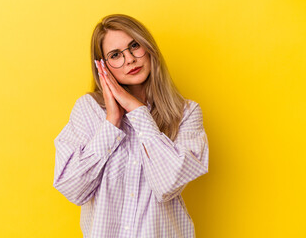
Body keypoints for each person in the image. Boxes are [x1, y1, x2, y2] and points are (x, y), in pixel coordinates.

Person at [53, 14, 209, 238]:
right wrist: (111, 122)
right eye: (115, 55)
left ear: (149, 47)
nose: (129, 59)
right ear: (102, 66)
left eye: (134, 46)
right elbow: (73, 189)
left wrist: (138, 112)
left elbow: (168, 184)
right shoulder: (88, 109)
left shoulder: (186, 113)